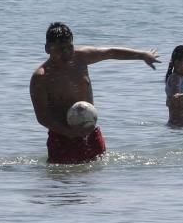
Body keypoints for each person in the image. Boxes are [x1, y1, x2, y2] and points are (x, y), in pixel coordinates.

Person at [30, 22, 160, 164]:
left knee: (95, 178)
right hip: (61, 138)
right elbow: (43, 117)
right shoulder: (41, 77)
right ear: (48, 48)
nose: (66, 53)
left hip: (90, 132)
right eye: (61, 49)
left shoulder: (81, 58)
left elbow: (110, 52)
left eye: (70, 47)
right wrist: (70, 133)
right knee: (61, 181)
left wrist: (142, 55)